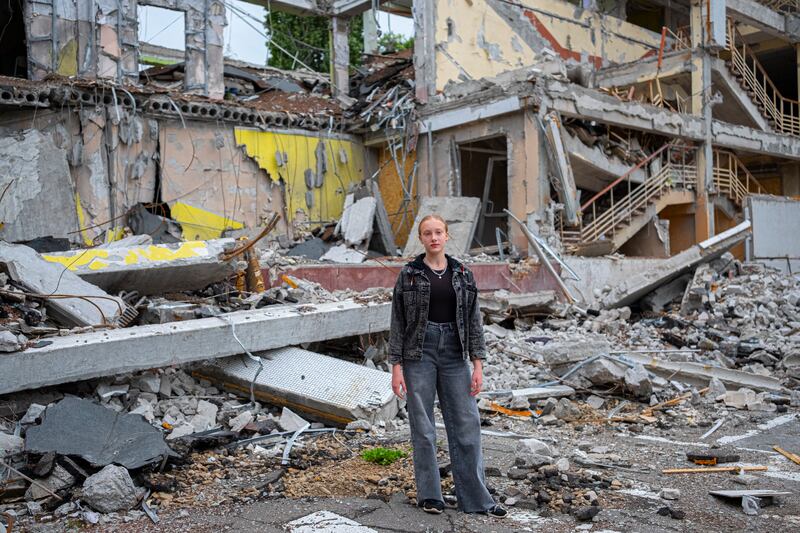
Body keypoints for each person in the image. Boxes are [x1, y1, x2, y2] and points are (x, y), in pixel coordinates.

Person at [388, 214, 507, 518]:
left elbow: (474, 321)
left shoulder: (463, 274)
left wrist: (478, 365)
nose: (434, 238)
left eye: (438, 232)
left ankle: (477, 500)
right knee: (423, 427)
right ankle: (431, 496)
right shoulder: (410, 274)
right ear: (421, 238)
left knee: (467, 422)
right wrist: (396, 367)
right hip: (419, 353)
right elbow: (398, 321)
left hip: (455, 352)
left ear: (447, 235)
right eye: (427, 233)